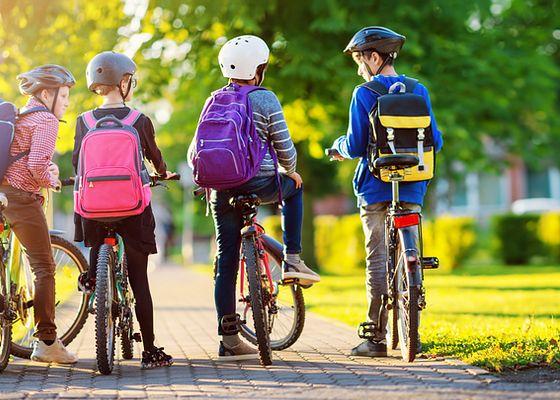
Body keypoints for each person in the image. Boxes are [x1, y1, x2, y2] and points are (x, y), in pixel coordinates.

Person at [187, 35, 320, 361]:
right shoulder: (266, 99)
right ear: (259, 69)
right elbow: (285, 149)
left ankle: (228, 338)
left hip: (220, 190)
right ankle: (292, 257)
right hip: (260, 183)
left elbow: (194, 152)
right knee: (296, 188)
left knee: (227, 261)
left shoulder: (213, 99)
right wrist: (291, 170)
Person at [330, 26, 443, 357]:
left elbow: (353, 145)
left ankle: (376, 337)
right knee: (412, 249)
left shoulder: (364, 93)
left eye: (359, 59)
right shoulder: (418, 89)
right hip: (413, 185)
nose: (358, 67)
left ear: (374, 57)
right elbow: (435, 140)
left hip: (375, 187)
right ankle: (414, 328)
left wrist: (335, 148)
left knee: (377, 258)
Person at [72, 51, 174, 369]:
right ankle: (150, 350)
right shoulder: (138, 120)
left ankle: (93, 281)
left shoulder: (83, 122)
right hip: (133, 208)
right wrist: (162, 172)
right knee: (139, 279)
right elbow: (155, 158)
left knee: (95, 241)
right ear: (125, 81)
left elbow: (78, 162)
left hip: (93, 208)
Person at [0, 64, 78, 363]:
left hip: (4, 194)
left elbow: (25, 158)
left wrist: (48, 169)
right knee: (44, 268)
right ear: (47, 93)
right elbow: (34, 167)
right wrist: (53, 180)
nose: (67, 102)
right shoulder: (46, 120)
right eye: (65, 95)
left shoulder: (20, 115)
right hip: (22, 197)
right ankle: (47, 341)